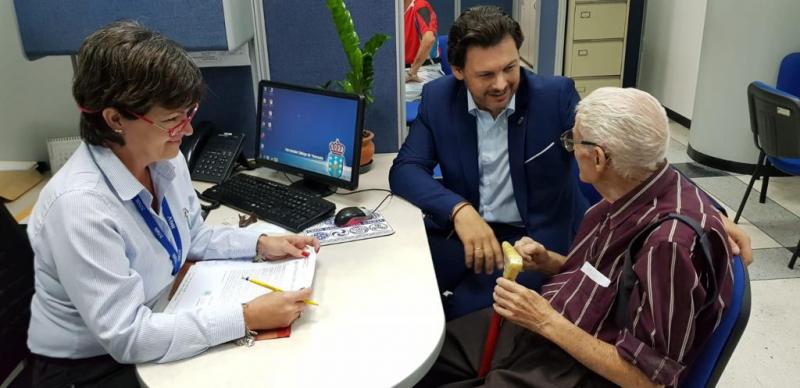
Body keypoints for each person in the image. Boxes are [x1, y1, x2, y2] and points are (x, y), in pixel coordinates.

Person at [390, 6, 751, 321]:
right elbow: (405, 169)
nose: (502, 84)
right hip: (469, 234)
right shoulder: (438, 98)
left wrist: (709, 212)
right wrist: (460, 211)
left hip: (534, 244)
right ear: (457, 71)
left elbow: (632, 152)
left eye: (510, 68)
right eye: (485, 75)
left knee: (460, 316)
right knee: (399, 285)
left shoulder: (553, 97)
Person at [26, 21, 320, 388]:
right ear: (115, 119)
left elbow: (191, 237)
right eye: (171, 120)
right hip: (91, 368)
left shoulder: (162, 158)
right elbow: (127, 337)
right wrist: (245, 317)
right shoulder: (80, 208)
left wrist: (260, 243)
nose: (188, 131)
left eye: (188, 114)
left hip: (163, 311)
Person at [418, 87, 736, 387]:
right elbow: (611, 282)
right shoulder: (634, 186)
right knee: (428, 358)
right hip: (554, 328)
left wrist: (545, 321)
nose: (571, 149)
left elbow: (649, 380)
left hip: (580, 367)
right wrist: (550, 263)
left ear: (598, 158)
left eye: (574, 141)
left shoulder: (667, 246)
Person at [404, 0, 443, 100]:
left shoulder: (420, 5)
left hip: (425, 70)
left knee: (395, 95)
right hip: (404, 72)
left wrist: (412, 72)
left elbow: (429, 39)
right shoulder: (394, 12)